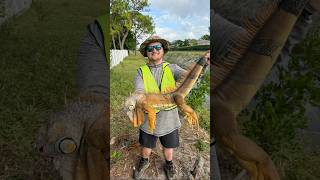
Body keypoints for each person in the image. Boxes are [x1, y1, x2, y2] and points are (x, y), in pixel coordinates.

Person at [133, 35, 209, 179]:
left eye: (157, 47)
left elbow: (192, 79)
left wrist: (203, 63)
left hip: (170, 119)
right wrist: (140, 100)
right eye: (150, 48)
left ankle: (169, 164)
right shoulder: (140, 71)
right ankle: (144, 161)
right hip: (148, 120)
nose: (154, 50)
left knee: (169, 148)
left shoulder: (172, 68)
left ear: (163, 50)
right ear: (146, 52)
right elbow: (139, 91)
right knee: (146, 147)